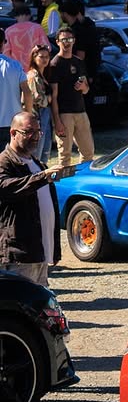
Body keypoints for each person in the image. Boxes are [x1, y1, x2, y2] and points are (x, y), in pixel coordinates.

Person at [0, 111, 62, 287]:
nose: (35, 137)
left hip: (39, 253)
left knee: (39, 308)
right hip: (18, 255)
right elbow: (6, 188)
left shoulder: (37, 164)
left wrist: (54, 250)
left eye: (38, 132)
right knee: (18, 308)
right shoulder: (4, 162)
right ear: (13, 133)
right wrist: (42, 177)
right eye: (29, 132)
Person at [47, 28, 92, 166]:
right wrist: (57, 120)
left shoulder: (78, 61)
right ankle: (63, 185)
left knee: (88, 152)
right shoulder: (54, 64)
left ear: (74, 41)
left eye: (70, 39)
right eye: (64, 40)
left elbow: (86, 90)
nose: (67, 43)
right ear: (58, 42)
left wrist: (83, 87)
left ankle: (84, 181)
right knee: (65, 155)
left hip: (81, 111)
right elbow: (53, 96)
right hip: (64, 114)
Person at [26, 45, 53, 164]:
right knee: (37, 152)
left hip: (45, 115)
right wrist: (49, 99)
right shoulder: (33, 75)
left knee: (45, 151)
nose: (45, 59)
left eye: (47, 57)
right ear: (34, 57)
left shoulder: (43, 74)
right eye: (41, 57)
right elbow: (36, 98)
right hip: (37, 116)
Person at [4, 2, 48, 72]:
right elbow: (47, 47)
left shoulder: (9, 31)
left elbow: (5, 53)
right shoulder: (37, 28)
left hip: (16, 70)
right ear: (29, 15)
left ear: (15, 16)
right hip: (34, 69)